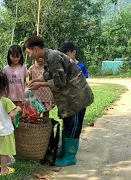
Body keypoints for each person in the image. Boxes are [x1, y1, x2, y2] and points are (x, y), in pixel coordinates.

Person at [24, 36, 94, 167]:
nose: (29, 56)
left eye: (29, 52)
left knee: (73, 126)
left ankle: (70, 156)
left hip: (76, 98)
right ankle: (65, 152)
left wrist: (40, 85)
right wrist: (37, 81)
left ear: (35, 49)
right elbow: (50, 75)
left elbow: (59, 82)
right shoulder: (48, 57)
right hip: (68, 100)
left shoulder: (53, 57)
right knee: (67, 124)